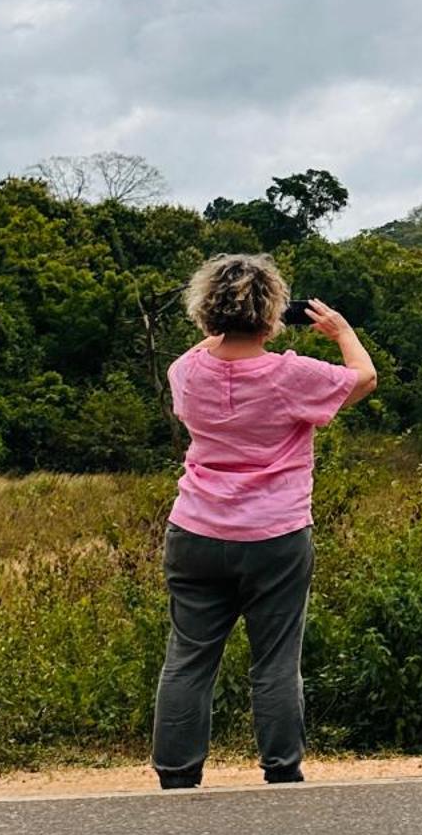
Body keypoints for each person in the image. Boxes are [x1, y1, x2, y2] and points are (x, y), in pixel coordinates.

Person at [151, 254, 377, 790]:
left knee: (188, 657)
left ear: (205, 312)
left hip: (196, 531)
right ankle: (281, 769)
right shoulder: (291, 375)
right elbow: (363, 378)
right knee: (276, 659)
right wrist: (342, 329)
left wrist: (218, 331)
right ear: (272, 313)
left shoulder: (184, 372)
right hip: (276, 535)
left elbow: (204, 353)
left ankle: (177, 774)